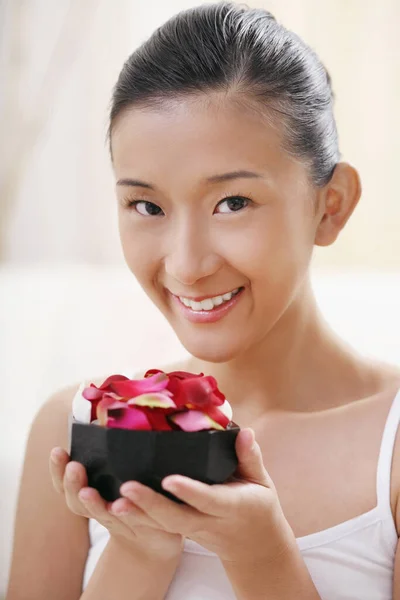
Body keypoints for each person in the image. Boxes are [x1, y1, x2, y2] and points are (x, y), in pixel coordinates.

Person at [6, 2, 400, 599]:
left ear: (332, 204)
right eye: (147, 206)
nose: (186, 264)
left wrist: (260, 553)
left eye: (232, 203)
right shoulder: (74, 431)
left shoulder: (391, 449)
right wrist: (138, 552)